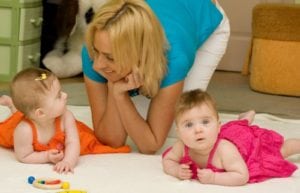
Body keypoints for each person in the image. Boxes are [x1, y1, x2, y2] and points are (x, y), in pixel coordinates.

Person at [81, 0, 230, 154]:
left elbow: (150, 145)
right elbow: (112, 141)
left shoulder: (174, 59)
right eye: (97, 52)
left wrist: (121, 97)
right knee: (137, 117)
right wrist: (116, 91)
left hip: (200, 12)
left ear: (139, 55)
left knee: (184, 125)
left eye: (110, 57)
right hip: (164, 20)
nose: (97, 66)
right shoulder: (94, 50)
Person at [0, 68, 130, 174]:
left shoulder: (66, 117)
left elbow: (73, 142)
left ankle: (13, 105)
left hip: (38, 117)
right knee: (10, 125)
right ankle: (14, 106)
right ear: (41, 112)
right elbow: (24, 156)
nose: (65, 95)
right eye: (58, 96)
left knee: (88, 140)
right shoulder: (24, 131)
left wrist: (68, 161)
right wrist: (46, 157)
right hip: (27, 123)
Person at [162, 89, 299, 186]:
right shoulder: (181, 146)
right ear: (179, 133)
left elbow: (242, 176)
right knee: (237, 127)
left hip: (249, 145)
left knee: (281, 151)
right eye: (189, 124)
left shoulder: (224, 150)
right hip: (232, 133)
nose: (198, 129)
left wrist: (214, 178)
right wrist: (175, 170)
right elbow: (168, 160)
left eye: (205, 122)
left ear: (218, 127)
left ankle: (245, 121)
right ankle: (244, 119)